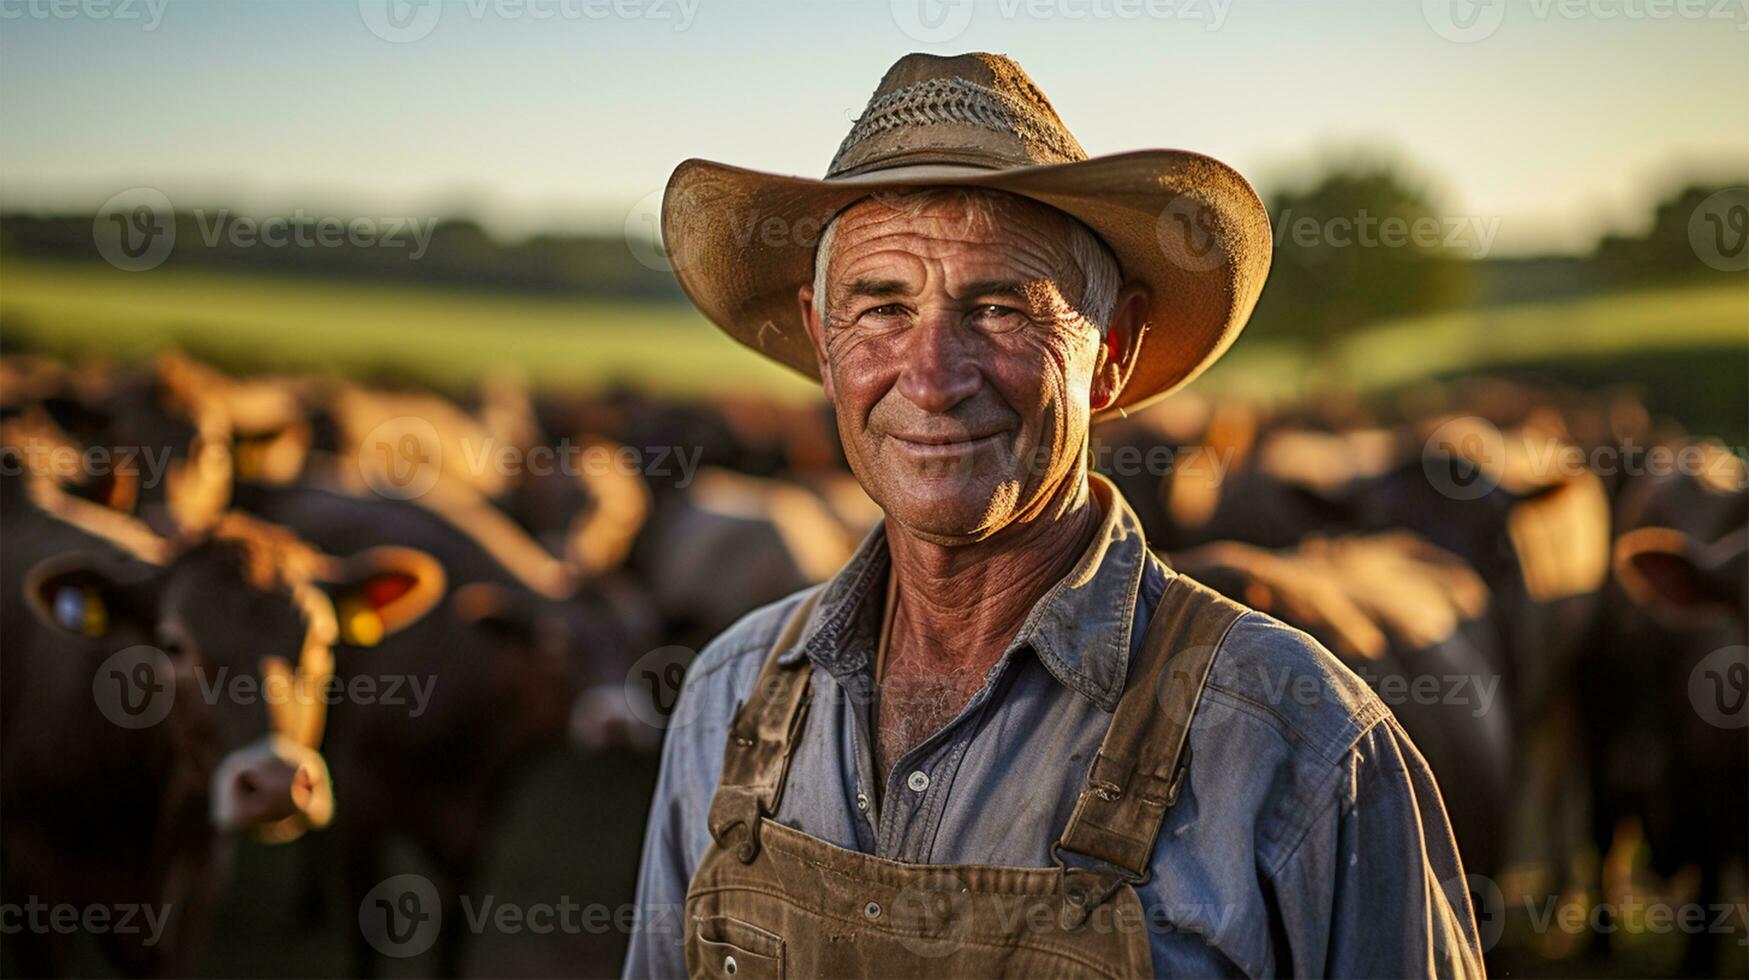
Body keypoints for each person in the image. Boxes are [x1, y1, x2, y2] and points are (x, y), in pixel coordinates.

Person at [624, 51, 1484, 978]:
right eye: (881, 309)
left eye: (997, 309)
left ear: (1109, 353)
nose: (933, 380)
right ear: (823, 344)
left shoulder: (1297, 744)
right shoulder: (730, 695)